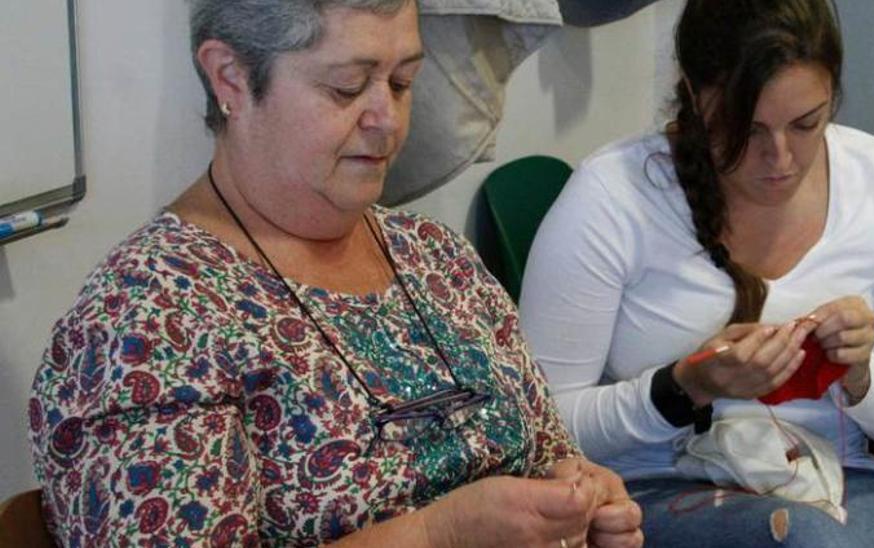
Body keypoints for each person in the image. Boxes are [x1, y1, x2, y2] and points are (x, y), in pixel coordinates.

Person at [26, 1, 643, 546]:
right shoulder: (151, 319)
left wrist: (582, 500)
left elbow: (549, 454)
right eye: (347, 89)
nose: (389, 120)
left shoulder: (434, 256)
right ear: (230, 77)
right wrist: (439, 533)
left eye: (403, 82)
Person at [518, 1, 874, 546]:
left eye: (806, 124)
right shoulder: (613, 195)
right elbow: (537, 428)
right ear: (696, 97)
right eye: (746, 129)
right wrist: (682, 389)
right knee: (804, 539)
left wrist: (862, 374)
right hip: (650, 488)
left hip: (836, 480)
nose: (781, 159)